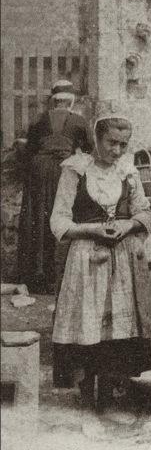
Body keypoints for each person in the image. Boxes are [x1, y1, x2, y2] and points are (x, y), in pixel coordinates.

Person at [49, 112, 151, 413]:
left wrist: (129, 225)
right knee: (88, 328)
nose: (117, 151)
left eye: (123, 144)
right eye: (111, 143)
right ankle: (86, 398)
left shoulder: (127, 171)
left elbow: (145, 212)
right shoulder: (75, 171)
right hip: (85, 261)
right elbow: (58, 221)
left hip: (123, 263)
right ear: (96, 138)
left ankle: (109, 397)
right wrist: (93, 229)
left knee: (116, 333)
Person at [17, 80, 93, 293]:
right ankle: (57, 276)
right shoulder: (78, 120)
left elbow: (30, 148)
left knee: (37, 219)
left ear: (53, 101)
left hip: (39, 171)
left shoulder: (39, 120)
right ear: (71, 102)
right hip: (62, 170)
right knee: (61, 216)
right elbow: (89, 149)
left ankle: (36, 276)